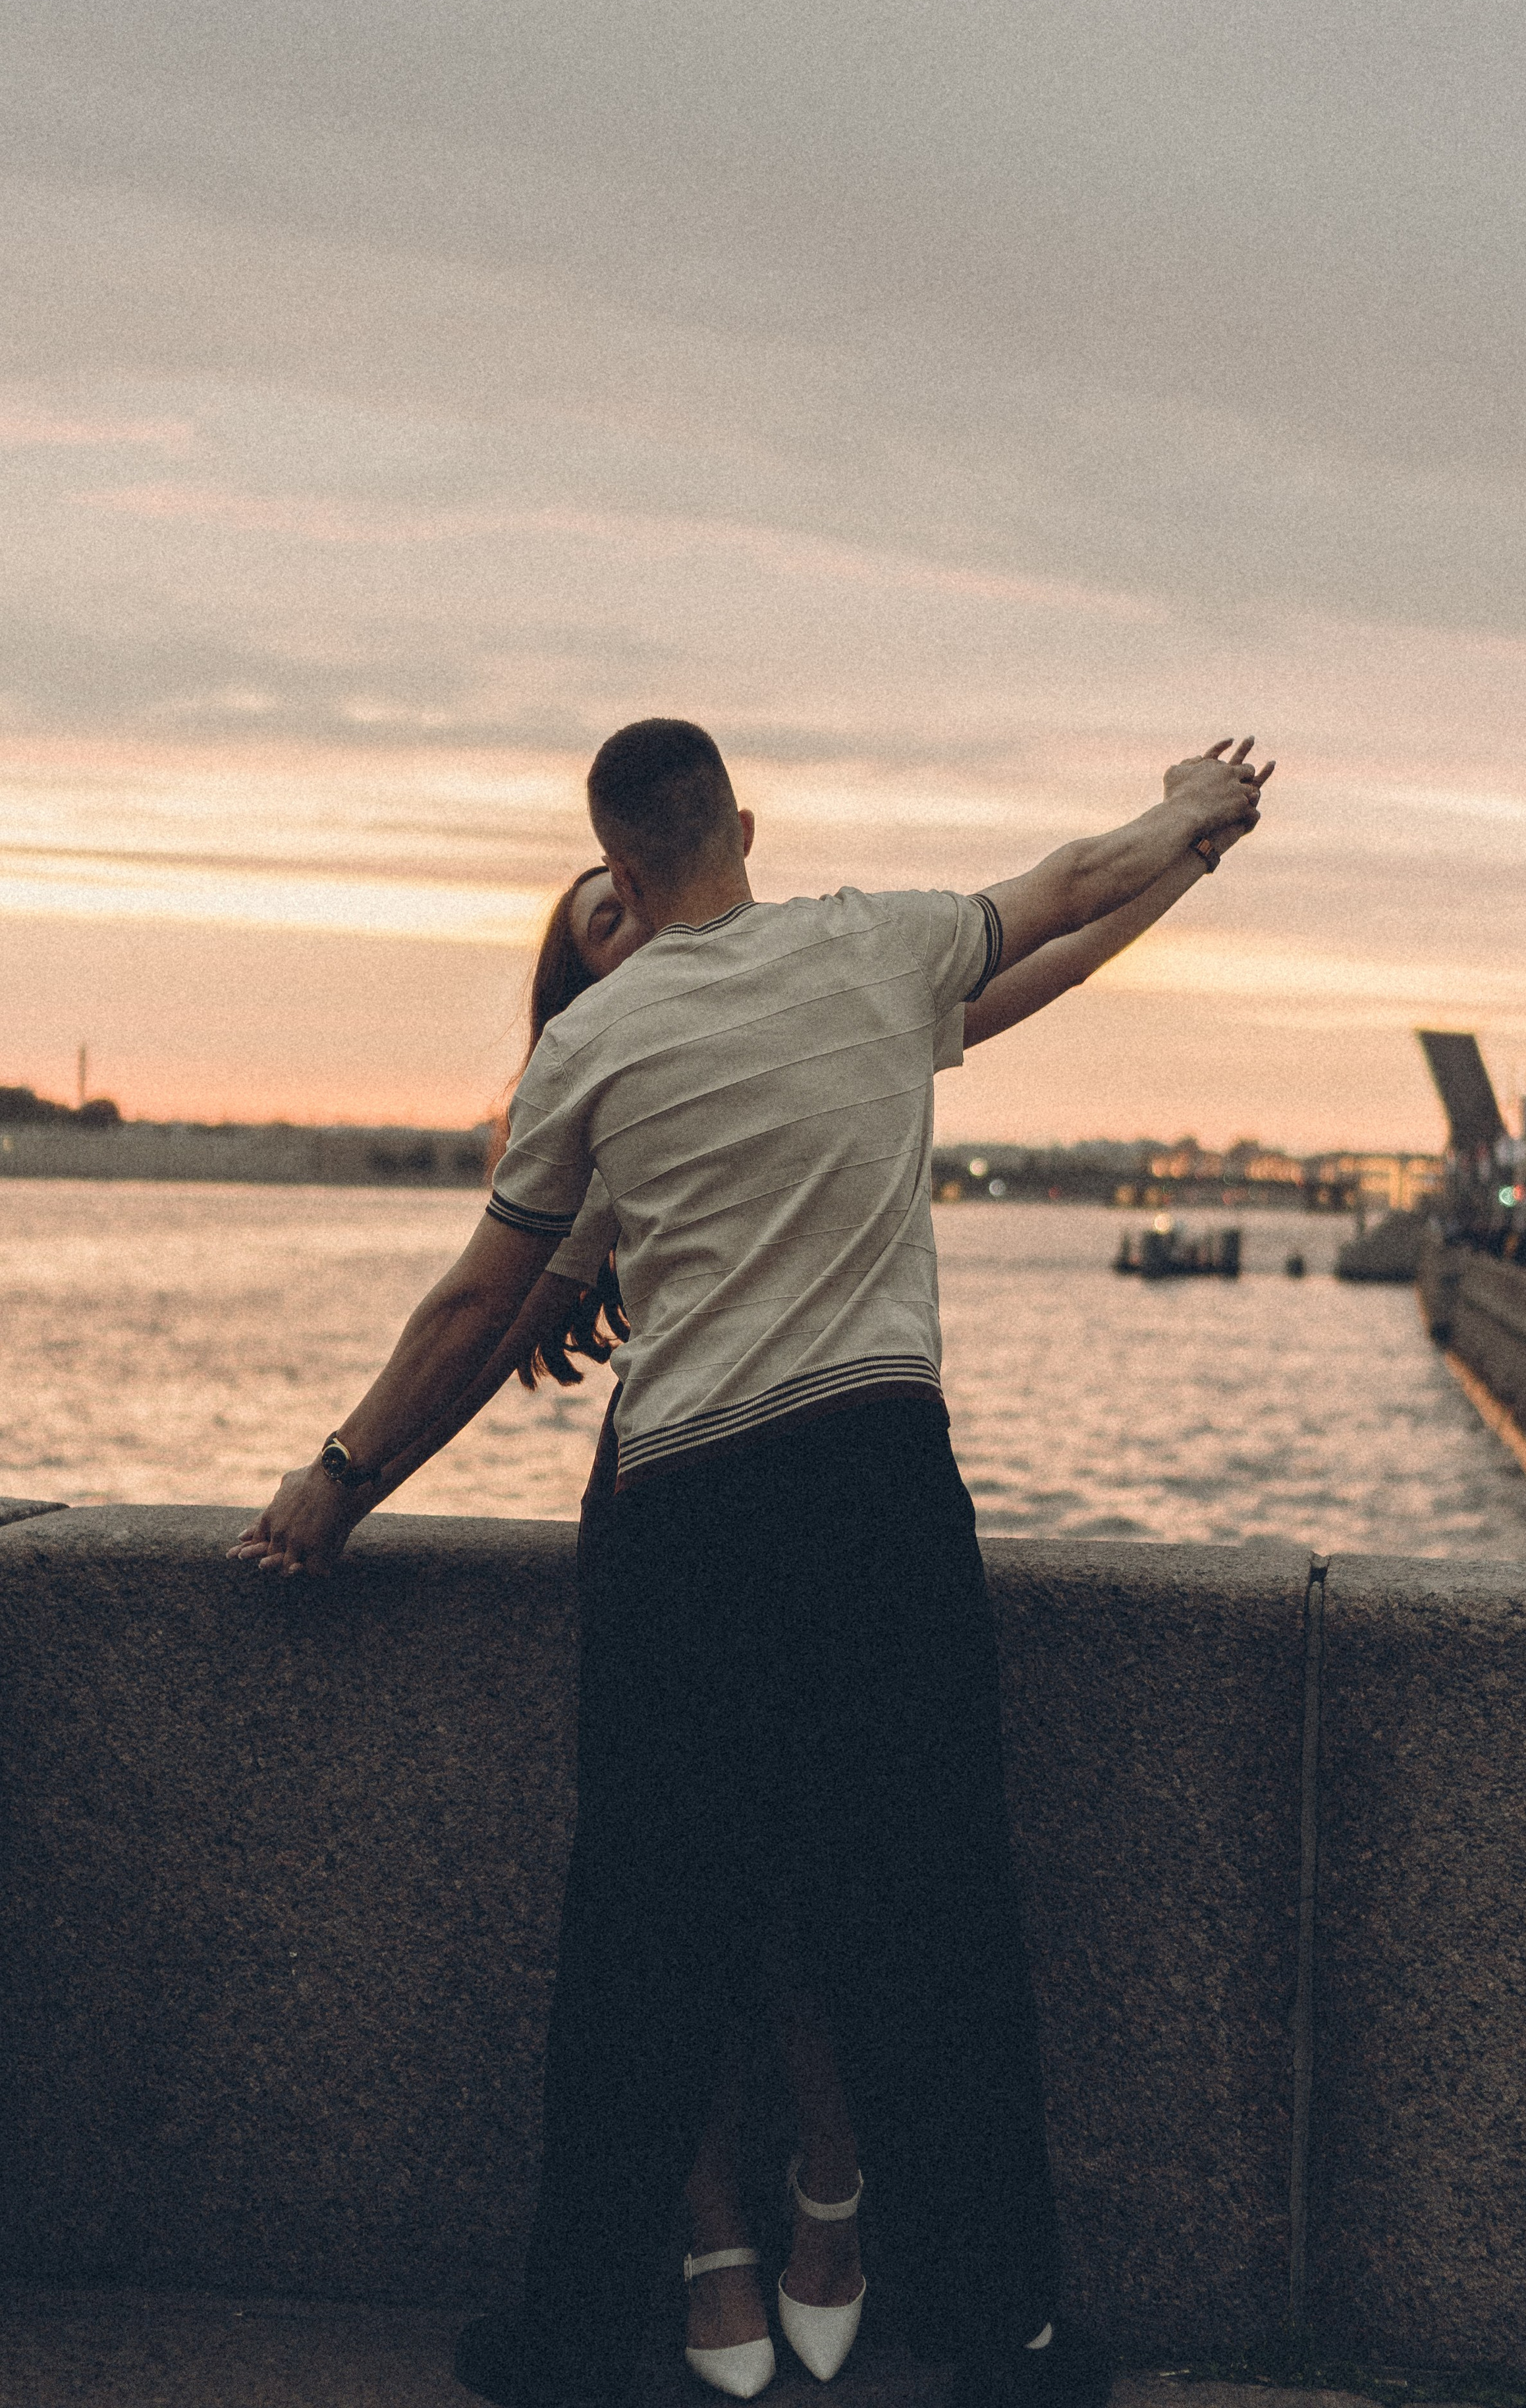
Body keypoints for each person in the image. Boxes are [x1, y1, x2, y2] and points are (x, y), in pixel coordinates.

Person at [234, 722, 1269, 2408]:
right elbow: (1069, 890)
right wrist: (1183, 822)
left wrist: (337, 1485)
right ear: (748, 827)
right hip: (874, 1480)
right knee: (940, 1910)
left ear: (624, 874)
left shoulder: (592, 1049)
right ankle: (1004, 2335)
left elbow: (474, 1311)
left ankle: (574, 2333)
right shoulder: (873, 944)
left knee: (638, 1926)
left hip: (690, 1508)